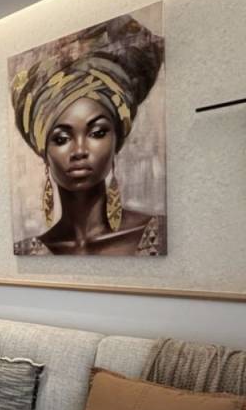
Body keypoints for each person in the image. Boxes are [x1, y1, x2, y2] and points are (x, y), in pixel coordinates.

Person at [10, 15, 165, 255]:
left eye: (97, 133)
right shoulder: (27, 252)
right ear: (43, 151)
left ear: (116, 140)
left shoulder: (158, 234)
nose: (80, 151)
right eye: (61, 139)